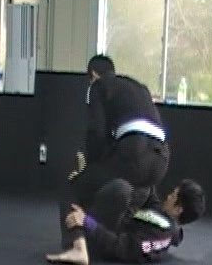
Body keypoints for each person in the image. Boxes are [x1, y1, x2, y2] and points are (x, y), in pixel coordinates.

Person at [61, 55, 171, 246]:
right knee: (132, 188)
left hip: (134, 155)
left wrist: (89, 166)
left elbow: (96, 133)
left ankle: (76, 244)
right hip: (161, 160)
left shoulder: (98, 86)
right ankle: (117, 236)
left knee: (75, 185)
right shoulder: (140, 87)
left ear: (93, 75)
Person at [48, 178, 205, 265]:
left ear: (178, 209)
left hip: (103, 242)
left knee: (120, 190)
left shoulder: (160, 232)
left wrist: (87, 222)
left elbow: (121, 247)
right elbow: (151, 195)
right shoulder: (165, 218)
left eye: (173, 196)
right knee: (142, 183)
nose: (168, 196)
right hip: (122, 223)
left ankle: (76, 243)